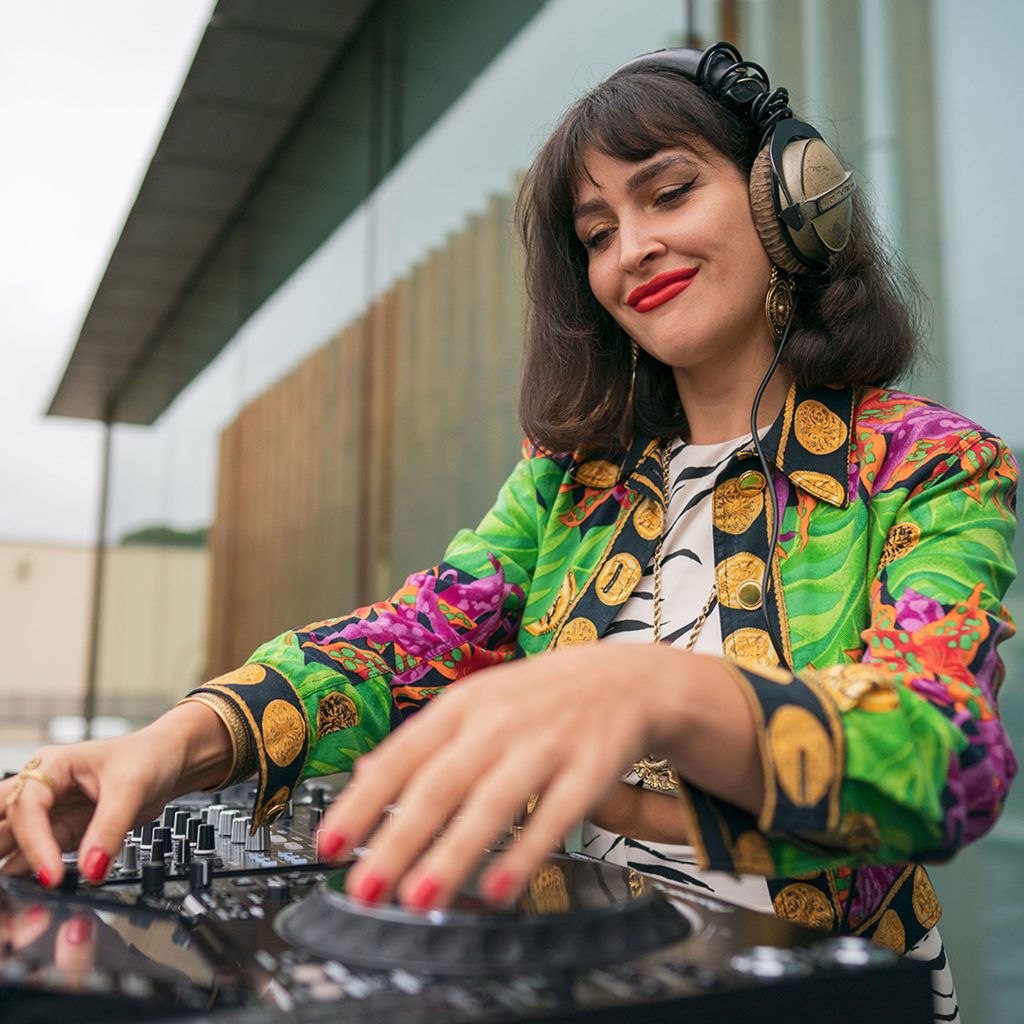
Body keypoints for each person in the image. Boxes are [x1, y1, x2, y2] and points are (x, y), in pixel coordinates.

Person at [1, 42, 1015, 1022]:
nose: (632, 248)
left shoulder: (933, 466)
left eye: (668, 193)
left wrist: (659, 690)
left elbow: (946, 746)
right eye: (597, 231)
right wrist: (176, 742)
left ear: (790, 200)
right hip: (586, 977)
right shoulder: (566, 485)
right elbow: (402, 644)